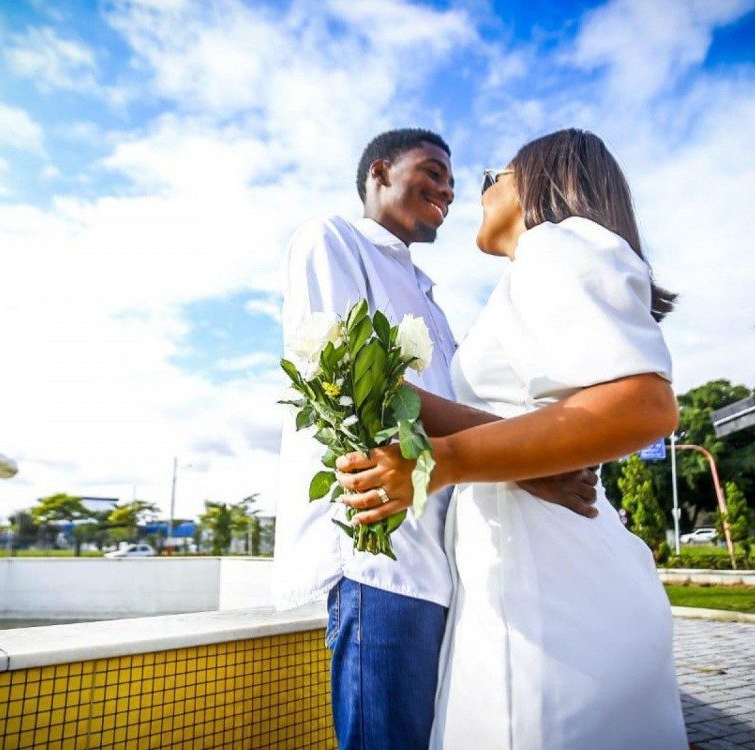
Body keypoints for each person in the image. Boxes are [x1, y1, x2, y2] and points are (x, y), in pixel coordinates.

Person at [336, 129, 689, 749]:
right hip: (542, 579)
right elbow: (511, 419)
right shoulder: (535, 273)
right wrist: (380, 387)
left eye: (489, 178)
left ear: (542, 182)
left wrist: (437, 462)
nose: (472, 192)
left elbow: (642, 405)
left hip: (548, 596)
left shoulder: (555, 245)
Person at [273, 128, 601, 750]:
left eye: (454, 181)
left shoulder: (429, 298)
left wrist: (528, 453)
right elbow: (360, 389)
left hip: (446, 565)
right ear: (379, 172)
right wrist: (528, 459)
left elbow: (445, 410)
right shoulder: (332, 240)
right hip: (382, 560)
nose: (449, 190)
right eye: (433, 171)